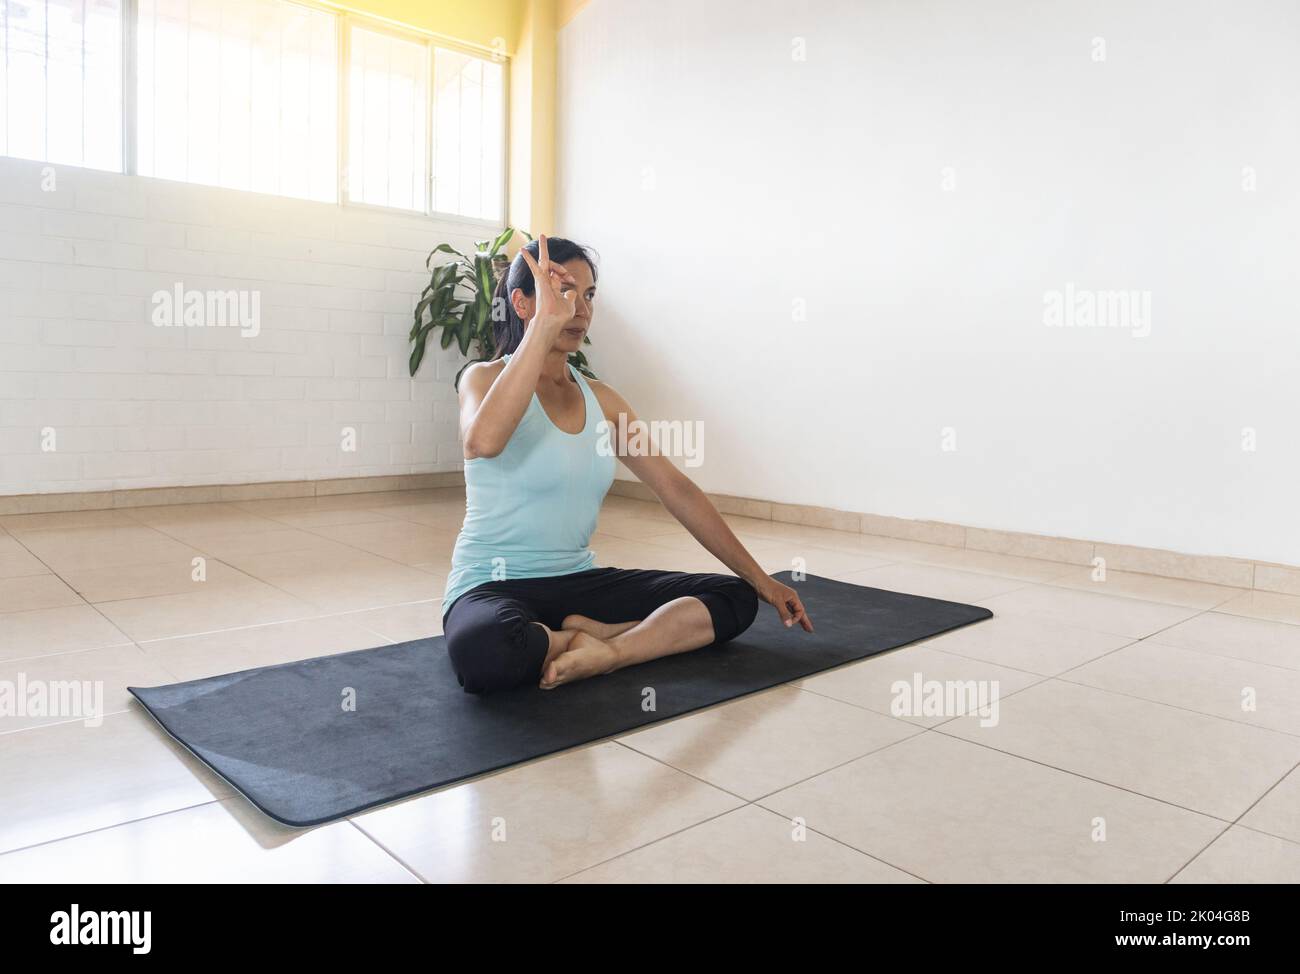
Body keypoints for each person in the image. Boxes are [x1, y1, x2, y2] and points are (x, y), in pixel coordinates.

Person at [441, 235, 813, 692]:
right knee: (485, 650)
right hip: (492, 586)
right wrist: (542, 329)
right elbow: (482, 442)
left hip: (580, 583)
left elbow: (676, 489)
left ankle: (608, 651)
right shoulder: (482, 378)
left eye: (589, 294)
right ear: (522, 303)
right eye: (564, 292)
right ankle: (579, 637)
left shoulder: (604, 401)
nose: (580, 309)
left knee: (733, 597)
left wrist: (762, 581)